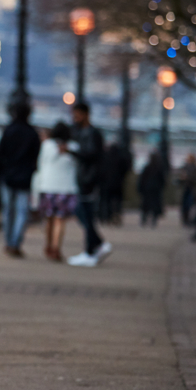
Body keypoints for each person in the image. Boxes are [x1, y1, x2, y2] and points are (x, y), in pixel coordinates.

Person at [66, 102, 112, 267]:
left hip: (89, 180)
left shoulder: (92, 133)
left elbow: (91, 155)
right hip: (85, 179)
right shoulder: (83, 132)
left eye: (77, 115)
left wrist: (71, 151)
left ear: (85, 114)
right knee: (82, 212)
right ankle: (96, 246)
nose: (74, 118)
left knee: (85, 213)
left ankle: (92, 249)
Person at [0, 101, 41, 257]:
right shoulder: (32, 133)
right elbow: (36, 158)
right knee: (22, 212)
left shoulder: (9, 131)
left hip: (7, 176)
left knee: (8, 211)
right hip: (25, 178)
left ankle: (8, 242)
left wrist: (1, 173)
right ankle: (15, 242)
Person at [36, 122, 79, 261]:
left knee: (48, 219)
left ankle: (48, 245)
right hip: (65, 188)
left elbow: (40, 164)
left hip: (48, 186)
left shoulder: (47, 145)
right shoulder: (73, 147)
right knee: (60, 220)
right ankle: (56, 248)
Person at [98, 142, 131, 225]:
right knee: (118, 201)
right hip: (118, 184)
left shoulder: (105, 158)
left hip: (106, 184)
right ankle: (116, 215)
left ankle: (106, 217)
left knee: (106, 201)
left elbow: (101, 171)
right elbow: (126, 169)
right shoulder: (121, 158)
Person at [137, 151, 166, 227]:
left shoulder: (147, 167)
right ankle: (153, 220)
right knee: (155, 205)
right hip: (156, 190)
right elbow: (162, 180)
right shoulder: (159, 168)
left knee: (146, 205)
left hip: (148, 189)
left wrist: (140, 188)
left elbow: (142, 179)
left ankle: (144, 219)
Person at [178, 153, 196, 227]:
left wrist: (187, 178)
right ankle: (186, 220)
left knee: (189, 205)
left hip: (191, 189)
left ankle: (188, 220)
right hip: (187, 189)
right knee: (186, 205)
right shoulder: (186, 167)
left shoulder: (193, 168)